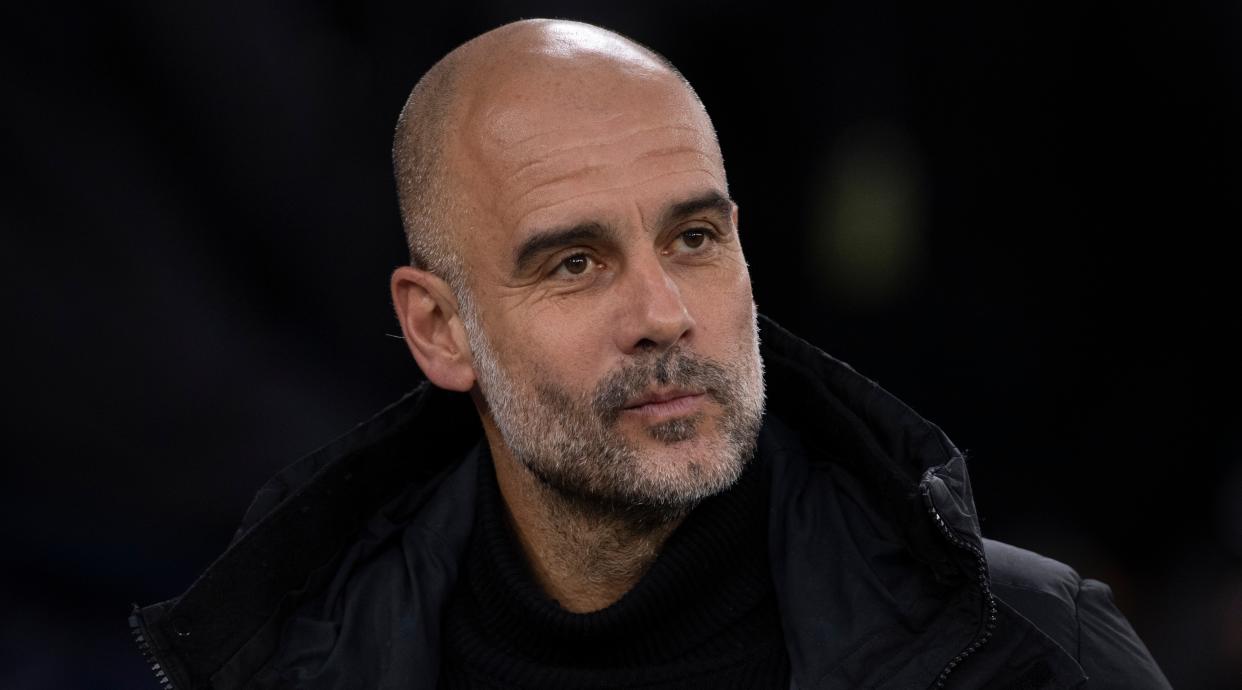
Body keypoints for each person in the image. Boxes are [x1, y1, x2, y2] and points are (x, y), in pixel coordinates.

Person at [129, 18, 1171, 690]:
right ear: (438, 330)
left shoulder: (1031, 654)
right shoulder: (278, 667)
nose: (662, 313)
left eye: (695, 239)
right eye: (575, 263)